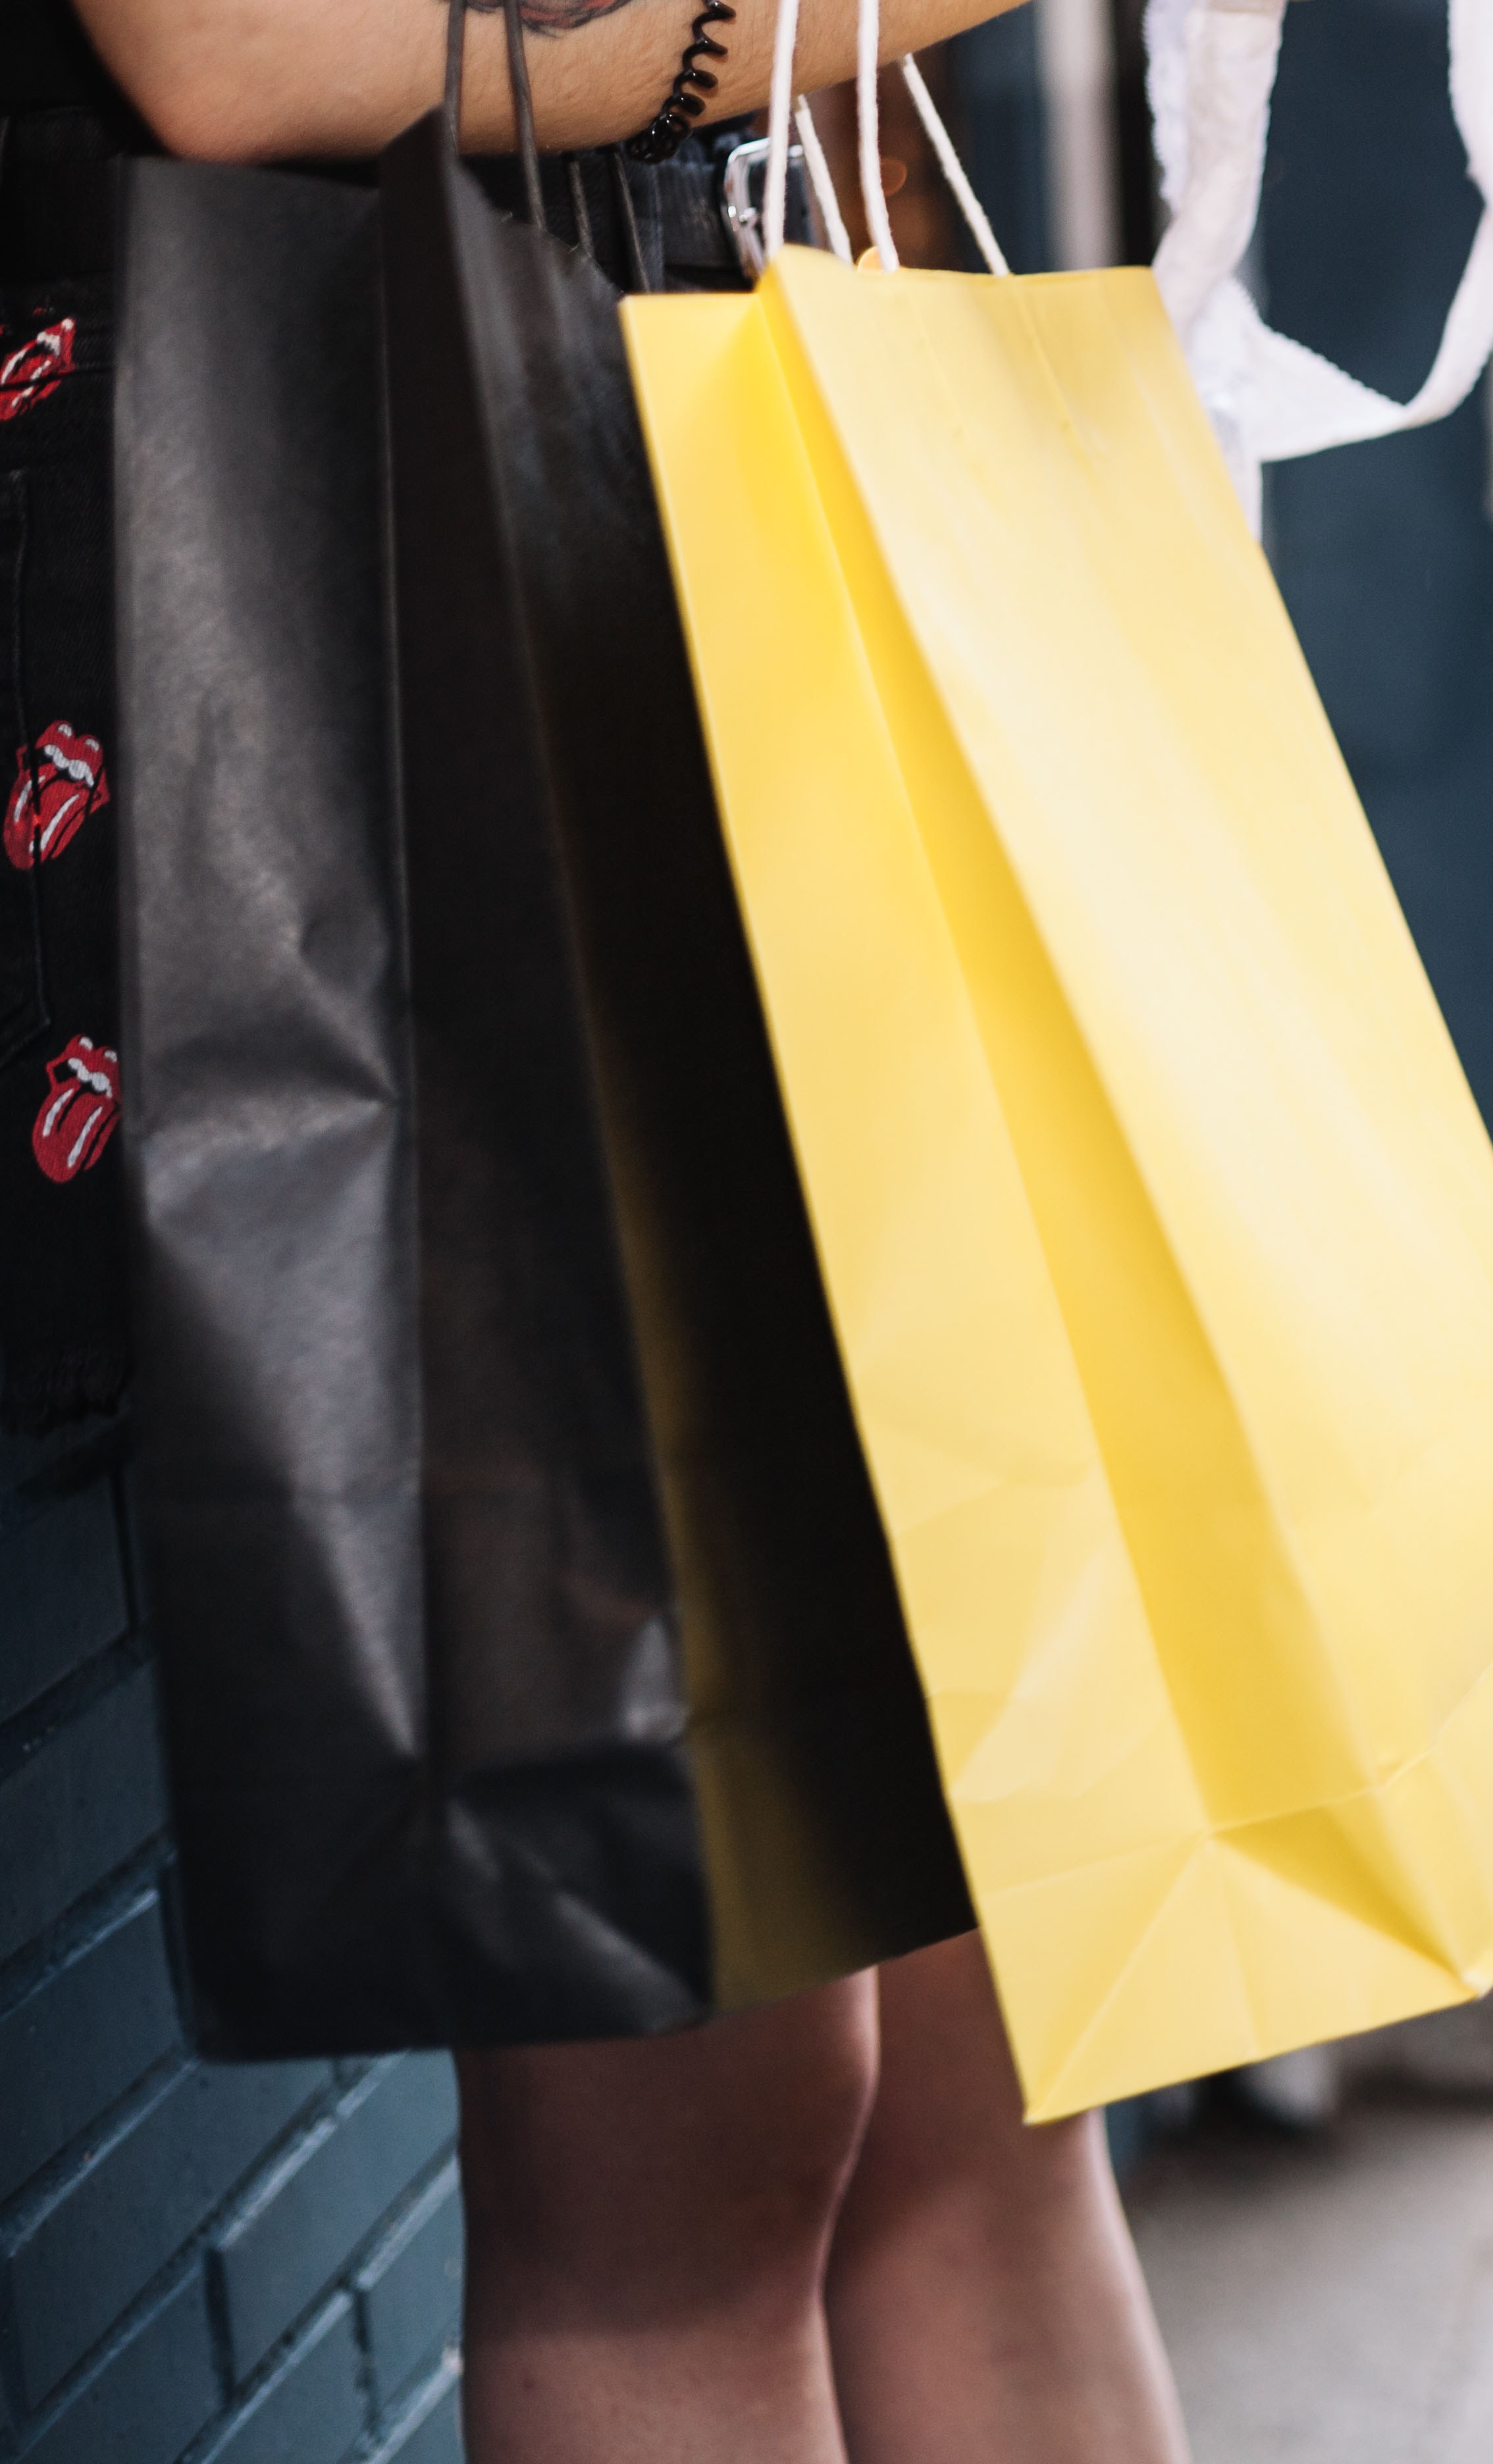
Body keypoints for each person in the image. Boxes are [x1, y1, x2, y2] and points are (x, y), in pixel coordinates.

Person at [41, 4, 1196, 2457]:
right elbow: (244, 51)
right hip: (438, 742)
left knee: (1009, 2077)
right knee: (689, 2163)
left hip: (761, 610)